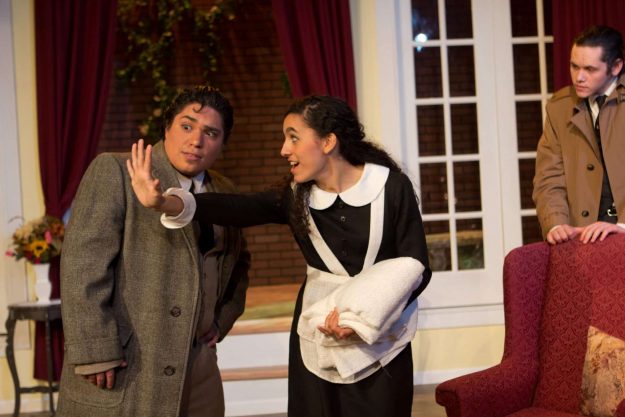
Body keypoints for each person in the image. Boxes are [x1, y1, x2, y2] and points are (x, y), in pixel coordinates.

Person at [127, 95, 432, 417]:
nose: (284, 149)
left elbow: (416, 267)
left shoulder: (390, 187)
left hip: (383, 338)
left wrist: (365, 319)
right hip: (315, 333)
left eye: (293, 137)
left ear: (328, 142)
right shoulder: (296, 195)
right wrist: (164, 203)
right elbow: (240, 208)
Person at [57, 86, 250, 417]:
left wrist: (221, 319)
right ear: (167, 128)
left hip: (199, 366)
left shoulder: (225, 190)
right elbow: (83, 264)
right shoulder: (116, 171)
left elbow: (239, 263)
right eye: (186, 126)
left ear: (223, 143)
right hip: (128, 364)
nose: (196, 140)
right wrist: (94, 350)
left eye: (211, 133)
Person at [533, 25, 625, 245]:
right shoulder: (559, 107)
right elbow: (549, 176)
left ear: (616, 67)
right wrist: (556, 224)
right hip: (582, 238)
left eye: (590, 69)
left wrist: (622, 226)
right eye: (574, 66)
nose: (579, 77)